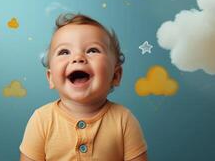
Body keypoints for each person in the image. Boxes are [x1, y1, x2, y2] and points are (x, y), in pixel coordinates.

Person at [20, 13, 148, 161]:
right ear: (51, 78)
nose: (78, 57)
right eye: (64, 52)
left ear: (115, 75)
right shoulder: (41, 120)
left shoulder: (124, 120)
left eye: (92, 50)